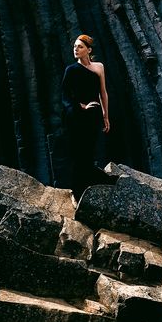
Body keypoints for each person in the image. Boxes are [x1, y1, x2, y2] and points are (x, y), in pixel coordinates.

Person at [61, 34, 110, 201]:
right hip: (77, 116)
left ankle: (89, 184)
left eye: (80, 47)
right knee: (78, 153)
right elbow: (65, 94)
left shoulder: (99, 67)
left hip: (94, 115)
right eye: (75, 46)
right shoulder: (71, 70)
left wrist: (105, 115)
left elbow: (102, 92)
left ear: (88, 50)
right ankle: (76, 192)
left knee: (89, 151)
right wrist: (81, 106)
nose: (76, 49)